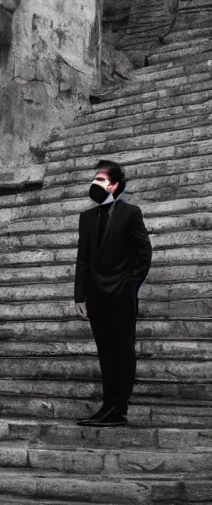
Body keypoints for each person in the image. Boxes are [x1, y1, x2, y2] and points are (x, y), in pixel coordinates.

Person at [73, 159, 152, 427]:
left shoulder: (130, 213)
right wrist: (79, 296)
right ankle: (108, 406)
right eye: (94, 178)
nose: (95, 184)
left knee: (123, 351)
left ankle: (119, 409)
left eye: (101, 180)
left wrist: (129, 287)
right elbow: (82, 259)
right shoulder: (85, 218)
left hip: (121, 295)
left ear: (114, 185)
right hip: (96, 298)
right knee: (105, 354)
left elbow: (144, 254)